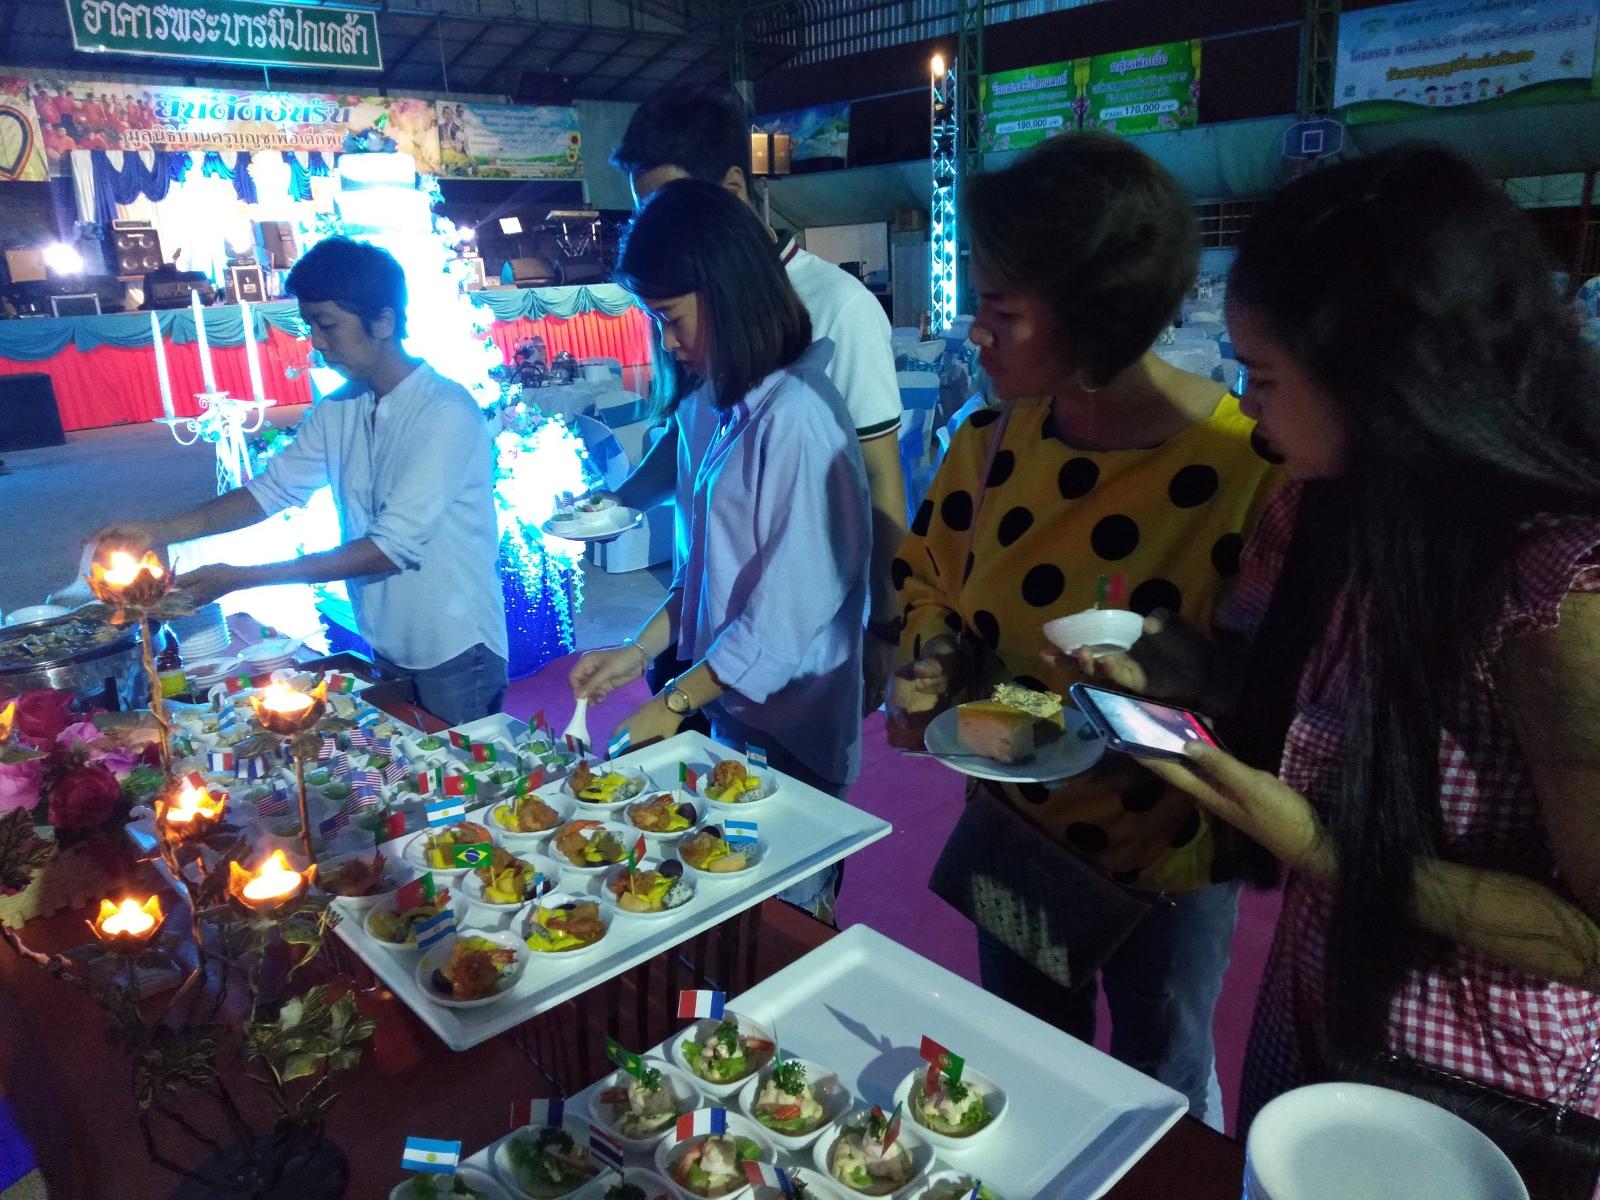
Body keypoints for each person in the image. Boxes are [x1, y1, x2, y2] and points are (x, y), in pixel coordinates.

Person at [1098, 145, 1600, 1168]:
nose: (1247, 408)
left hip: (1473, 1090)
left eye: (1265, 377)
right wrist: (1198, 678)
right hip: (1315, 1007)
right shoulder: (1324, 510)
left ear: (1383, 381)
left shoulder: (1554, 596)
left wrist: (1329, 850)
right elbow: (1314, 709)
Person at [884, 133, 1279, 1129]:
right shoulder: (988, 445)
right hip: (1017, 824)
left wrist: (1195, 676)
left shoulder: (1247, 470)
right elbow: (930, 578)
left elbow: (1282, 688)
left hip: (1169, 856)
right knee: (1028, 1069)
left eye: (1002, 310)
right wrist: (934, 655)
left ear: (1099, 314)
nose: (975, 334)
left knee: (1160, 1085)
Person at [569, 179, 871, 919]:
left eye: (671, 319)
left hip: (794, 725)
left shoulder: (797, 419)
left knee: (784, 920)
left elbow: (782, 617)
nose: (669, 343)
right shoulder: (725, 405)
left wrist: (674, 702)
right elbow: (708, 576)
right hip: (734, 708)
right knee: (723, 893)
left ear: (729, 292)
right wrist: (638, 652)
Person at [86, 237, 508, 725]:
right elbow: (271, 490)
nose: (317, 342)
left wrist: (241, 578)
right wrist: (158, 531)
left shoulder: (443, 411)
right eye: (310, 326)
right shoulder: (341, 406)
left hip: (455, 644)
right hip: (388, 636)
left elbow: (388, 548)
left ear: (383, 322)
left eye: (327, 325)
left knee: (461, 765)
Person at [607, 87, 906, 717]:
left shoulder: (837, 312)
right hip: (700, 611)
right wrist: (615, 503)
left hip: (780, 657)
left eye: (672, 205)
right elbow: (688, 442)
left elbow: (877, 480)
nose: (656, 229)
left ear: (733, 190)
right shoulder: (687, 311)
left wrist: (887, 621)